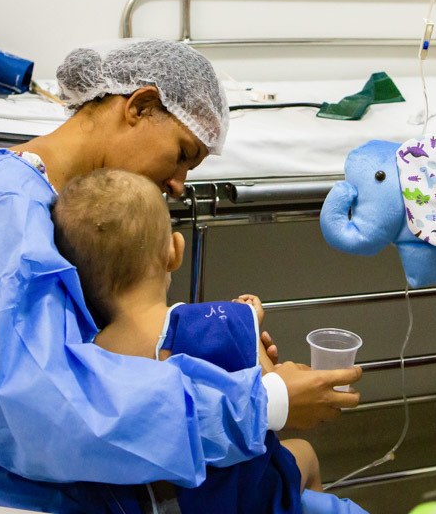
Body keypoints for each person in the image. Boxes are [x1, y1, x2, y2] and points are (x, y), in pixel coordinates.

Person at [0, 39, 362, 513]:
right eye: (184, 154)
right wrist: (260, 404)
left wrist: (211, 359)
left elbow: (84, 360)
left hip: (75, 472)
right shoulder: (2, 209)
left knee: (296, 474)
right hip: (17, 491)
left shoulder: (51, 203)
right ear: (139, 107)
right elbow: (44, 409)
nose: (179, 185)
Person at [52, 167, 367, 514]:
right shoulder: (223, 322)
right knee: (304, 457)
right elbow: (270, 389)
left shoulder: (86, 354)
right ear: (175, 250)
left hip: (146, 505)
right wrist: (251, 331)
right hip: (237, 500)